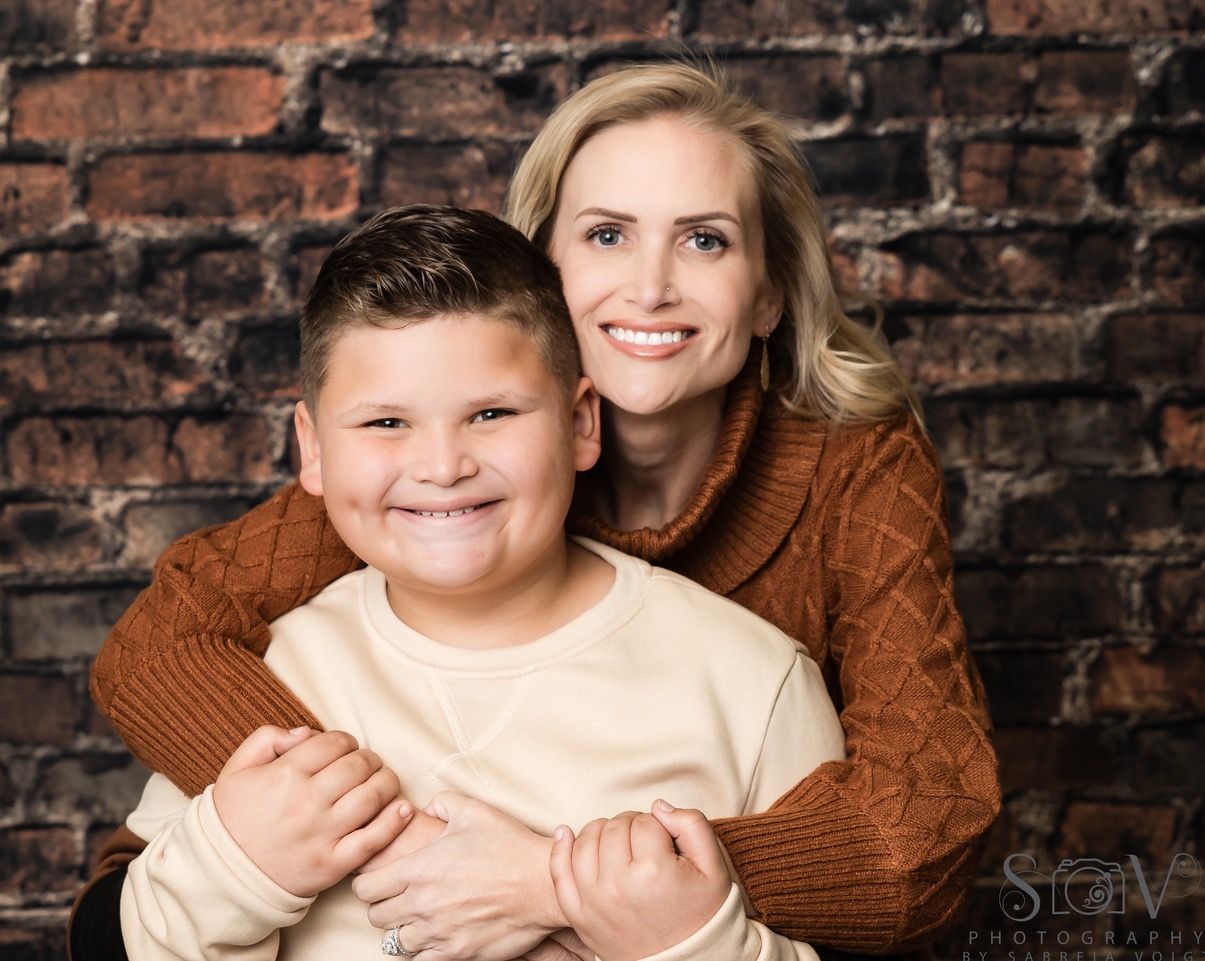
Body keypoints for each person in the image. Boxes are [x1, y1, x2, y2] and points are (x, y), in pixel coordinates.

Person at [72, 62, 999, 961]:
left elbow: (922, 833)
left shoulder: (847, 486)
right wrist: (371, 832)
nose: (650, 285)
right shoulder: (426, 488)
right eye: (607, 234)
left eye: (704, 240)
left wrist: (573, 883)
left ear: (769, 292)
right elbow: (160, 648)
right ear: (543, 267)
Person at [116, 203, 847, 961]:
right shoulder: (259, 688)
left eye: (491, 413)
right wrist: (228, 870)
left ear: (581, 423)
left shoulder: (750, 682)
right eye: (385, 423)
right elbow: (132, 931)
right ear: (314, 448)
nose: (442, 466)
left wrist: (691, 943)